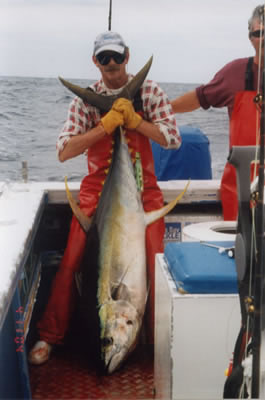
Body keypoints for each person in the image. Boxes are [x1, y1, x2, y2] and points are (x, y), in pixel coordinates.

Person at [28, 31, 181, 365]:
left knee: (159, 264)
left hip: (144, 193)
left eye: (116, 57)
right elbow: (64, 150)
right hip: (96, 194)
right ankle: (51, 335)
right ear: (95, 62)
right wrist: (106, 125)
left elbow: (172, 139)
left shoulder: (150, 91)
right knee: (71, 261)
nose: (111, 65)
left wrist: (137, 122)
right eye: (103, 58)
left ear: (127, 57)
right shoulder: (86, 100)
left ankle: (159, 340)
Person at [171, 4, 264, 221]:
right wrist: (156, 110)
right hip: (241, 187)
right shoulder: (235, 72)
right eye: (259, 33)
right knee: (240, 249)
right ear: (250, 37)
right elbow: (199, 98)